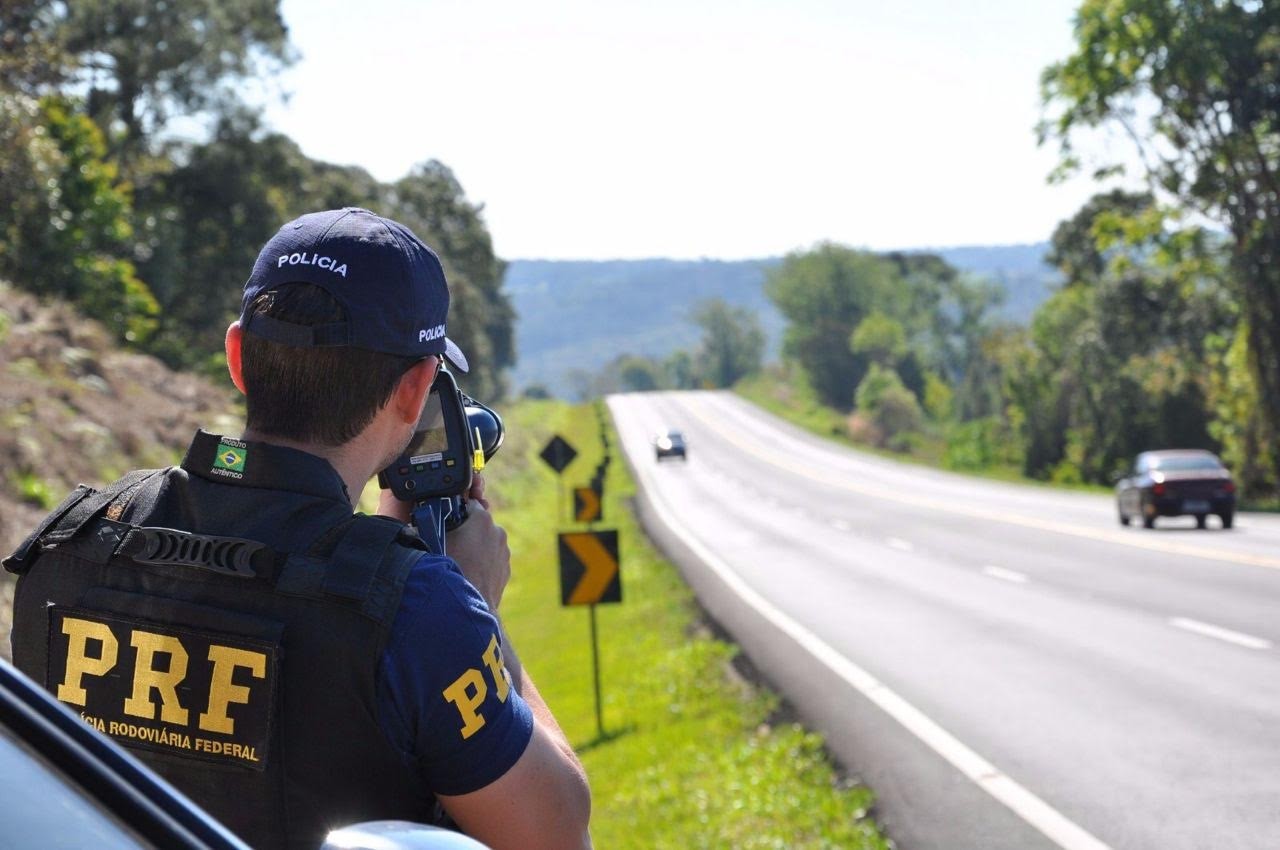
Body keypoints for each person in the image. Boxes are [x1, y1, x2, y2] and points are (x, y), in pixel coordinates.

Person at [4, 208, 592, 850]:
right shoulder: (421, 610)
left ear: (237, 356)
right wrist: (478, 610)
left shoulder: (76, 540)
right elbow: (556, 831)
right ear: (417, 388)